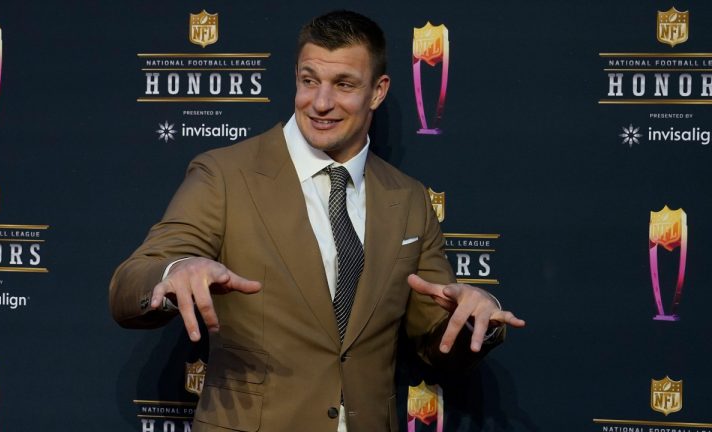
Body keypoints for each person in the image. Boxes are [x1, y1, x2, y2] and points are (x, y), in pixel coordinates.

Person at [110, 10, 524, 432]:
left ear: (378, 92)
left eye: (344, 85)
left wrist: (477, 322)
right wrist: (175, 271)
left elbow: (437, 337)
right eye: (309, 81)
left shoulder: (410, 199)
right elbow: (130, 285)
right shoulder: (226, 175)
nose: (321, 102)